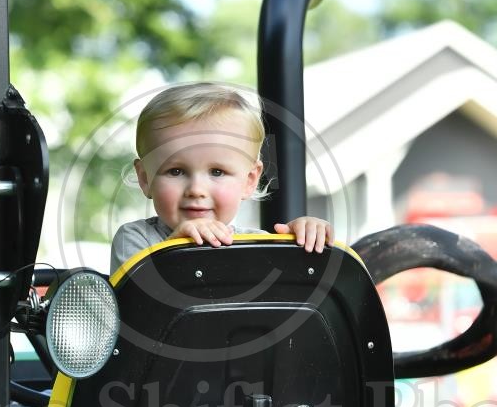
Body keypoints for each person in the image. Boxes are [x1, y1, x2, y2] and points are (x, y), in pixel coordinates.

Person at [110, 82, 333, 273]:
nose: (196, 189)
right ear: (145, 179)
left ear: (249, 181)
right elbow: (142, 307)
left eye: (217, 172)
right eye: (176, 171)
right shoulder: (135, 240)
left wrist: (303, 244)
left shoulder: (259, 246)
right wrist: (177, 247)